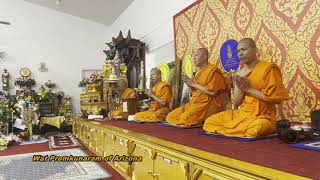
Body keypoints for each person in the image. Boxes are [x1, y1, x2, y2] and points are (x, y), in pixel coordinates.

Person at [203, 38, 289, 137]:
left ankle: (232, 130)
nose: (240, 54)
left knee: (257, 128)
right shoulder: (240, 73)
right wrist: (240, 87)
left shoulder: (268, 69)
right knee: (210, 122)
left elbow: (277, 99)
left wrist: (248, 89)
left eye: (244, 50)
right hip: (242, 114)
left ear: (255, 50)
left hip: (262, 116)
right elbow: (236, 102)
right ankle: (235, 130)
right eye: (238, 51)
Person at [165, 48, 227, 126]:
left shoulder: (213, 71)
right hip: (194, 103)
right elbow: (194, 94)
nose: (194, 58)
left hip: (208, 104)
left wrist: (193, 84)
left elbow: (213, 92)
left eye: (196, 55)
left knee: (185, 118)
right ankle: (197, 121)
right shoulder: (198, 73)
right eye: (193, 56)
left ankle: (199, 121)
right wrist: (190, 85)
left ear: (204, 57)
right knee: (171, 116)